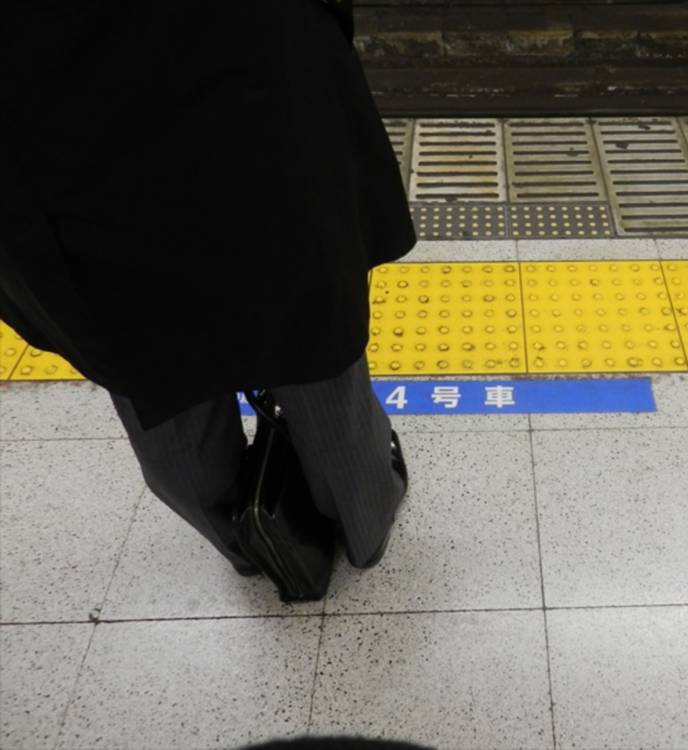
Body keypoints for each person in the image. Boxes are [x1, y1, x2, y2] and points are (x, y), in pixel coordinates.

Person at [0, 0, 415, 574]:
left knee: (152, 368)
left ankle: (244, 542)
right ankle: (362, 521)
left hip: (58, 134)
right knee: (309, 333)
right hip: (249, 83)